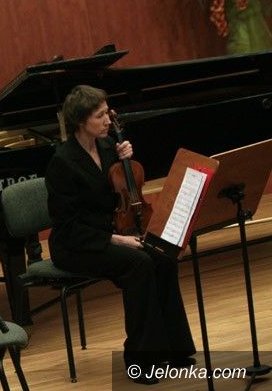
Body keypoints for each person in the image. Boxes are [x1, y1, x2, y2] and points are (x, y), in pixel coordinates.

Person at [45, 85, 195, 385]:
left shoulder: (106, 147)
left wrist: (124, 160)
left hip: (110, 232)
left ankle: (174, 349)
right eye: (100, 115)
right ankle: (140, 360)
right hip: (76, 244)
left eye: (107, 113)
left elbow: (122, 190)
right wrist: (117, 239)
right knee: (138, 263)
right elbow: (68, 225)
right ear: (81, 121)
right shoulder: (62, 162)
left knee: (163, 258)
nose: (107, 120)